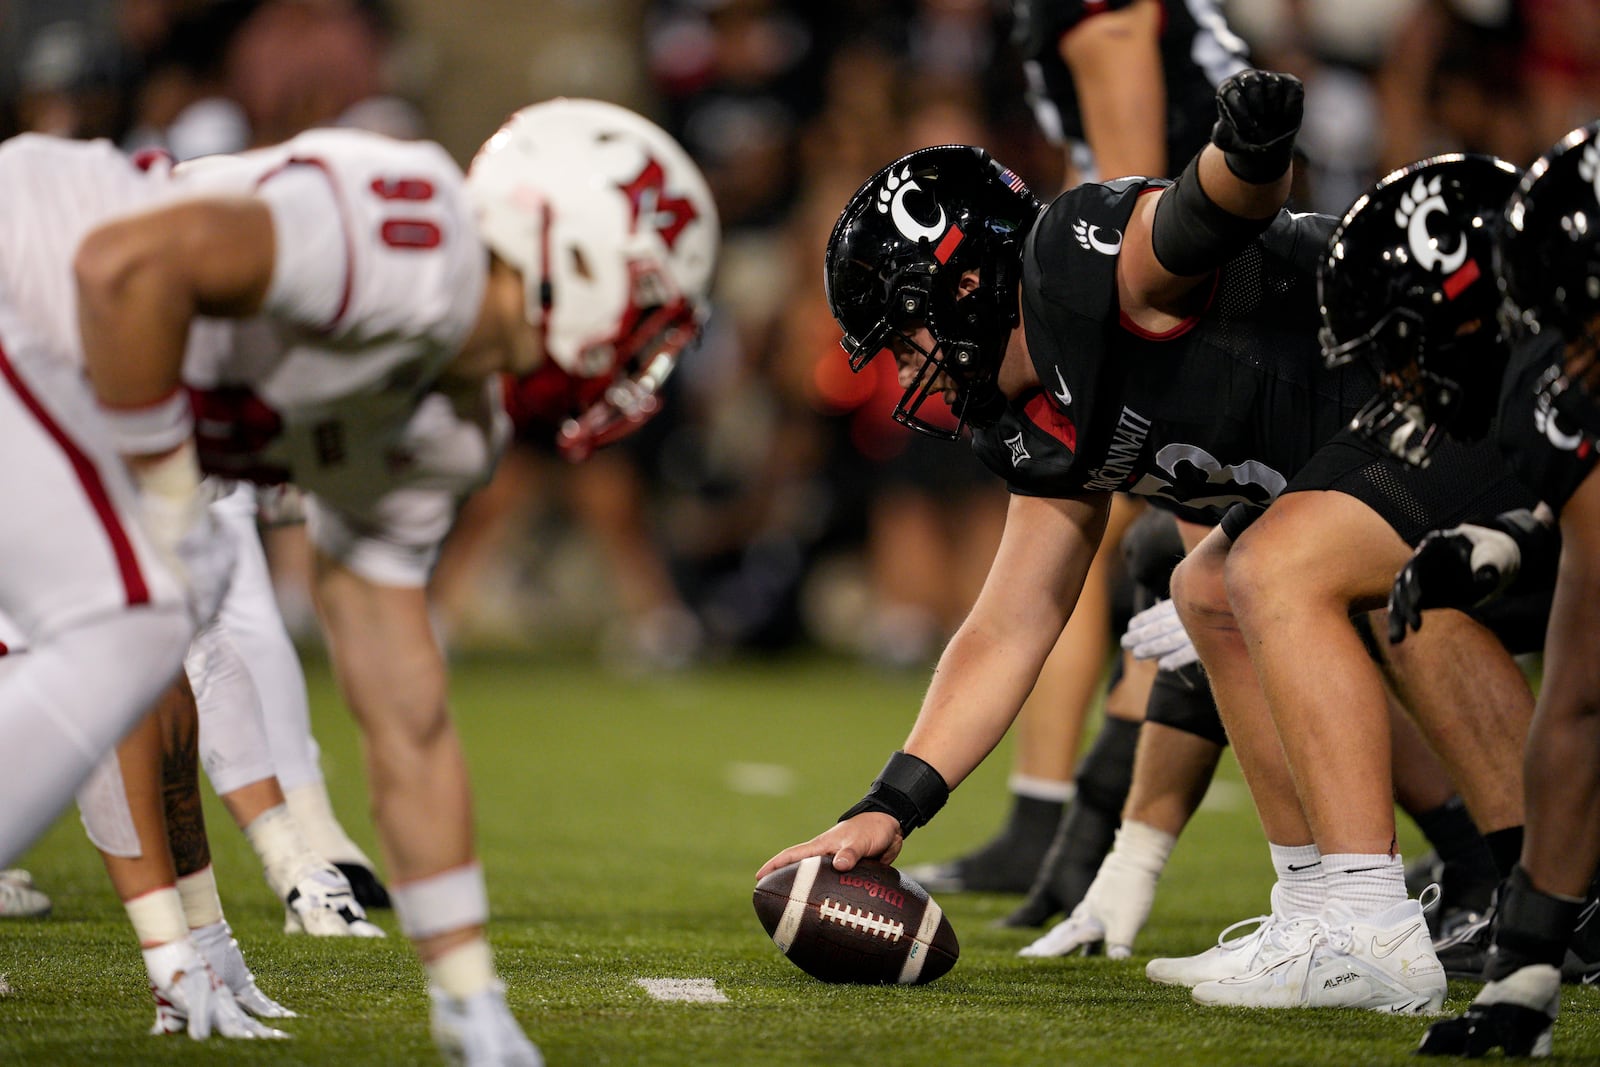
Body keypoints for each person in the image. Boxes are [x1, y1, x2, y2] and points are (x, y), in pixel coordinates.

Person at [758, 70, 1536, 1014]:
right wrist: (891, 803)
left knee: (1264, 567)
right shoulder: (1024, 416)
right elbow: (1010, 624)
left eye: (906, 329)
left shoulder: (1068, 266)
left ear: (964, 282)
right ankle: (1317, 911)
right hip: (1373, 451)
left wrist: (1248, 149)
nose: (907, 363)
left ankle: (1374, 924)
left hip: (1452, 392)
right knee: (1209, 586)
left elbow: (1203, 220)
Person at [0, 97, 718, 1061]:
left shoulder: (453, 429)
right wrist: (169, 511)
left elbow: (404, 713)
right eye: (646, 307)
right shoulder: (412, 240)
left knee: (164, 605)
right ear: (572, 249)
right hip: (29, 285)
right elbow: (120, 263)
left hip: (67, 368)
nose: (644, 356)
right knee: (154, 596)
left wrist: (469, 995)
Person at [908, 0, 1251, 909]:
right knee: (1195, 577)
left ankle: (1073, 820)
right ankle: (1071, 822)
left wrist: (1084, 360)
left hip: (1210, 311)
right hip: (1211, 291)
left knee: (1216, 579)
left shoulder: (1095, 12)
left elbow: (1129, 200)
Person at [1346, 121, 1600, 1057]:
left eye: (1577, 318)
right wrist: (1515, 539)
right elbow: (1575, 704)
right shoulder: (1564, 401)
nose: (1565, 353)